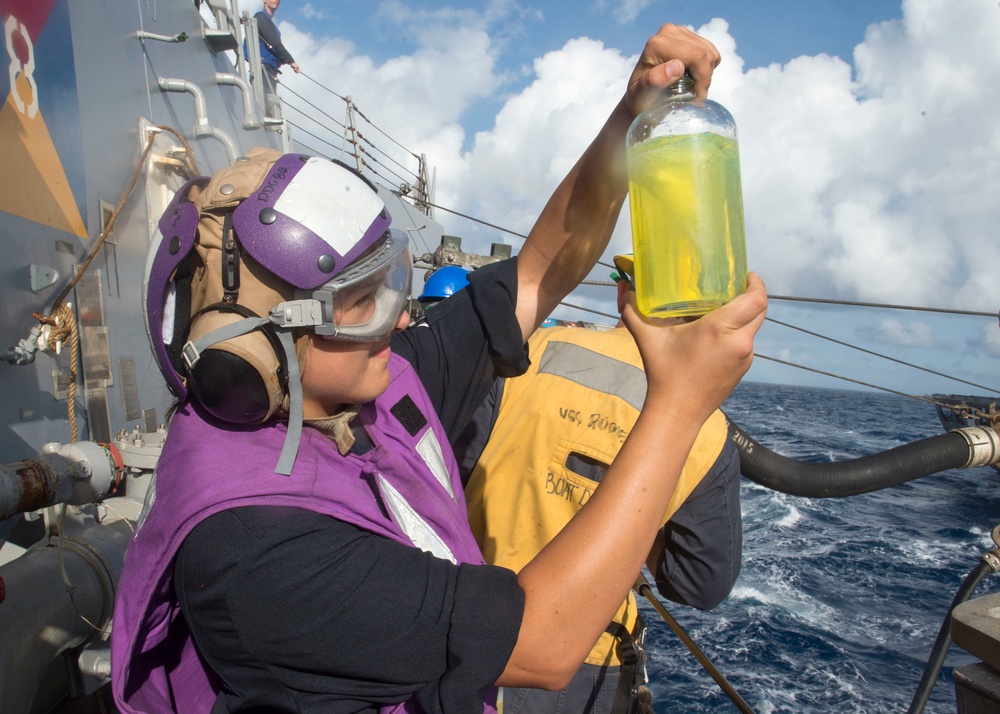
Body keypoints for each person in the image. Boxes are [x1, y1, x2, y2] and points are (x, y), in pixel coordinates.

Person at [111, 23, 767, 714]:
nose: (399, 318)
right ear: (260, 345)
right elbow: (540, 645)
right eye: (363, 302)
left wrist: (631, 114)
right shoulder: (251, 545)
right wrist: (680, 404)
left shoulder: (374, 385)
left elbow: (542, 271)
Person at [457, 263, 743, 714]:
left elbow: (448, 476)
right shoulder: (708, 427)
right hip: (589, 658)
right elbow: (698, 585)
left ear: (625, 297)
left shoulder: (532, 353)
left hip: (469, 630)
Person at [253, 0, 299, 101]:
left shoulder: (269, 22)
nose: (276, 0)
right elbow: (275, 43)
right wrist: (291, 61)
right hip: (263, 66)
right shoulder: (261, 17)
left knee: (271, 101)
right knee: (266, 101)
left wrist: (282, 59)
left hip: (271, 68)